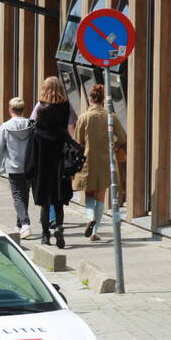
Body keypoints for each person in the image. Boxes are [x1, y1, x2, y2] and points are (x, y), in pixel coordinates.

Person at [73, 84, 126, 242]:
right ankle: (94, 231)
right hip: (105, 161)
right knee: (101, 196)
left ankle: (90, 218)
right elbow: (122, 137)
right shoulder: (110, 117)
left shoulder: (84, 117)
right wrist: (112, 142)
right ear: (103, 99)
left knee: (89, 193)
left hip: (87, 161)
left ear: (90, 98)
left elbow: (78, 141)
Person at [26, 76, 73, 248]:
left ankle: (45, 235)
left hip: (42, 159)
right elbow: (70, 126)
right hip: (59, 159)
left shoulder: (40, 106)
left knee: (45, 203)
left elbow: (31, 123)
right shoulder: (66, 106)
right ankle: (59, 227)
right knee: (58, 201)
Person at [0, 97, 35, 239]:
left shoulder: (5, 127)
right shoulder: (31, 125)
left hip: (13, 166)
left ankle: (25, 223)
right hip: (28, 166)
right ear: (23, 110)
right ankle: (19, 224)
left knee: (17, 196)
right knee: (24, 194)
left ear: (10, 110)